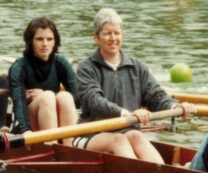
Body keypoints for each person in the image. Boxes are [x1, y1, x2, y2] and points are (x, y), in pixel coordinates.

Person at [73, 8, 194, 163]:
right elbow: (95, 101)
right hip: (90, 133)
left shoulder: (137, 67)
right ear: (96, 37)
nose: (113, 38)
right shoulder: (86, 68)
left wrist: (174, 107)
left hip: (127, 129)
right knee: (119, 140)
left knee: (136, 135)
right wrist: (125, 113)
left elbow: (155, 94)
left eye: (117, 33)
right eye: (107, 33)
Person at [8, 17, 78, 142]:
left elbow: (78, 98)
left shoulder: (61, 63)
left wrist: (51, 94)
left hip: (54, 123)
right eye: (39, 39)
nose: (45, 44)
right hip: (25, 126)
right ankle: (51, 146)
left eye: (49, 39)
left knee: (66, 97)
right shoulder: (19, 67)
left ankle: (69, 149)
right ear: (30, 42)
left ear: (55, 42)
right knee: (47, 97)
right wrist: (26, 130)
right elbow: (19, 103)